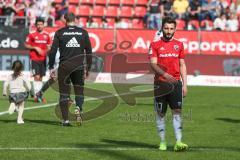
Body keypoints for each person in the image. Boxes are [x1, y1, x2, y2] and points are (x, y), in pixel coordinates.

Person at [149, 17, 188, 151]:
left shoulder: (180, 45)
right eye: (166, 28)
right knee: (160, 113)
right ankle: (163, 141)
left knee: (177, 112)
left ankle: (178, 142)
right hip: (160, 84)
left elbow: (182, 64)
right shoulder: (155, 44)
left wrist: (185, 84)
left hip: (176, 84)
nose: (169, 31)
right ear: (162, 28)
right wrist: (165, 75)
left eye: (171, 28)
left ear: (175, 29)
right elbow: (153, 64)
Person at [48, 12, 92, 126]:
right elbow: (89, 52)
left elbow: (52, 52)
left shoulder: (60, 32)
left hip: (64, 67)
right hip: (78, 66)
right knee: (79, 91)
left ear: (64, 19)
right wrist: (89, 68)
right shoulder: (83, 32)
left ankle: (66, 120)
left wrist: (51, 67)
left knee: (63, 94)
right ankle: (78, 107)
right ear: (75, 20)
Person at [25, 17, 51, 103]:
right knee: (36, 77)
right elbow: (26, 45)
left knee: (41, 78)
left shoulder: (47, 35)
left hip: (43, 60)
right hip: (34, 59)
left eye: (41, 24)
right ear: (36, 25)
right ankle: (37, 97)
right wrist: (35, 48)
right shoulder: (32, 34)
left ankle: (39, 95)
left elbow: (49, 47)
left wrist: (45, 51)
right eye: (38, 24)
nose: (39, 26)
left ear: (44, 25)